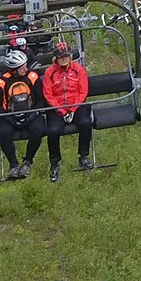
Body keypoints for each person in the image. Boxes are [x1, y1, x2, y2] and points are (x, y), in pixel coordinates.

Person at [40, 39, 97, 181]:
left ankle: (83, 155)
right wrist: (62, 111)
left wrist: (72, 109)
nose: (64, 59)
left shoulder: (78, 70)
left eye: (66, 56)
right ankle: (54, 163)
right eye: (61, 57)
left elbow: (83, 91)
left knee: (85, 122)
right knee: (53, 131)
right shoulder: (49, 73)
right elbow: (48, 94)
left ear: (70, 56)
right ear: (56, 59)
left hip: (75, 105)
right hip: (57, 108)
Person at [0, 47, 45, 179]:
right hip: (10, 115)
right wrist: (9, 118)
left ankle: (28, 161)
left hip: (30, 113)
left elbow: (40, 99)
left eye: (25, 66)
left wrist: (33, 114)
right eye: (22, 67)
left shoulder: (32, 76)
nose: (25, 69)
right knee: (4, 134)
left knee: (38, 130)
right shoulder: (2, 81)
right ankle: (13, 165)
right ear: (13, 70)